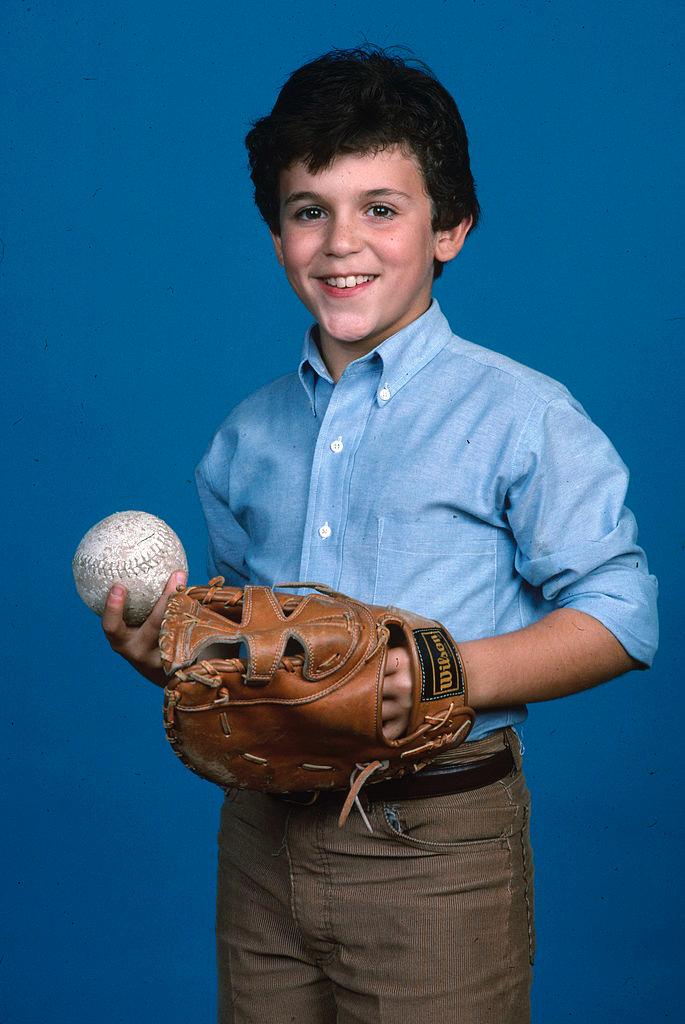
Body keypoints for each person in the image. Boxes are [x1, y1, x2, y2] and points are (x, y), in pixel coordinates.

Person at [102, 47, 658, 1024]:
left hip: (434, 842)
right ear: (276, 232)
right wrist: (171, 657)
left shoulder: (519, 415)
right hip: (265, 832)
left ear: (449, 228)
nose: (339, 243)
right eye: (308, 209)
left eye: (381, 208)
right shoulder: (245, 436)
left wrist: (444, 670)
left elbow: (622, 616)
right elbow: (261, 652)